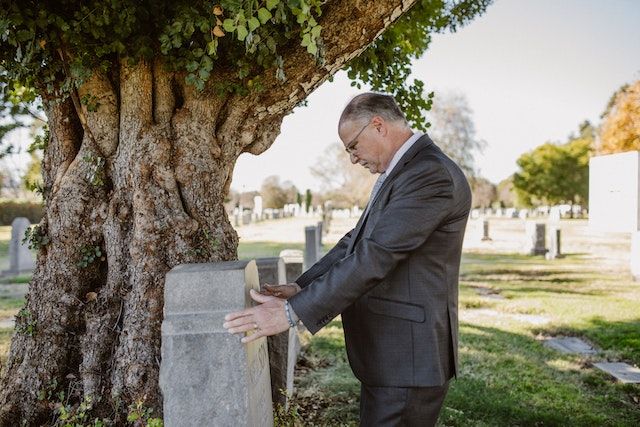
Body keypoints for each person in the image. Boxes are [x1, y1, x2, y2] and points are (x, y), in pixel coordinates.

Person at [223, 92, 471, 426]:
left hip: (409, 359)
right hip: (393, 357)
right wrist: (300, 287)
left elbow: (375, 256)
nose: (353, 159)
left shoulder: (429, 174)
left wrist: (290, 314)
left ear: (378, 125)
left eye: (353, 146)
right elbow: (355, 241)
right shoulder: (405, 171)